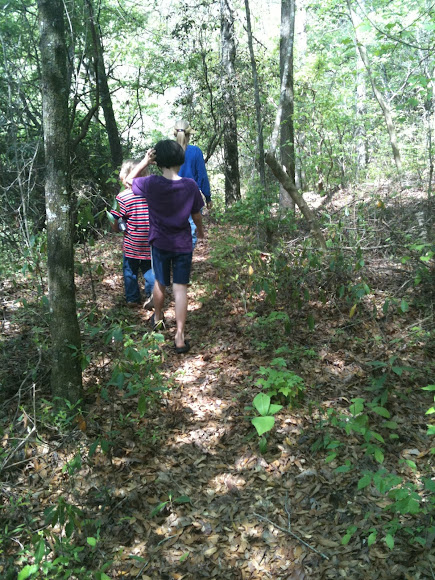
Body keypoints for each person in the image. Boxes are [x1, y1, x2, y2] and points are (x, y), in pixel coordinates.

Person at [126, 140, 204, 353]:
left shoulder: (151, 183)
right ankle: (180, 337)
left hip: (159, 243)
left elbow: (128, 181)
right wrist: (201, 231)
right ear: (180, 159)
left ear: (157, 161)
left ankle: (158, 319)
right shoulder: (190, 185)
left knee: (160, 283)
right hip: (183, 244)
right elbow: (197, 215)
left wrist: (144, 161)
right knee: (180, 288)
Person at [111, 159, 154, 308]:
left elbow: (114, 217)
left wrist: (116, 228)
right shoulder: (152, 194)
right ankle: (152, 294)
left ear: (125, 175)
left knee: (130, 269)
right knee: (150, 268)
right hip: (151, 239)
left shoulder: (123, 197)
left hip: (132, 241)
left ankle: (132, 298)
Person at [174, 120, 212, 249]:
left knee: (173, 228)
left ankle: (175, 255)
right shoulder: (195, 151)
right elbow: (202, 176)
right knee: (191, 229)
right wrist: (208, 197)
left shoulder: (169, 151)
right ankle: (185, 257)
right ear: (189, 135)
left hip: (171, 195)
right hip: (191, 196)